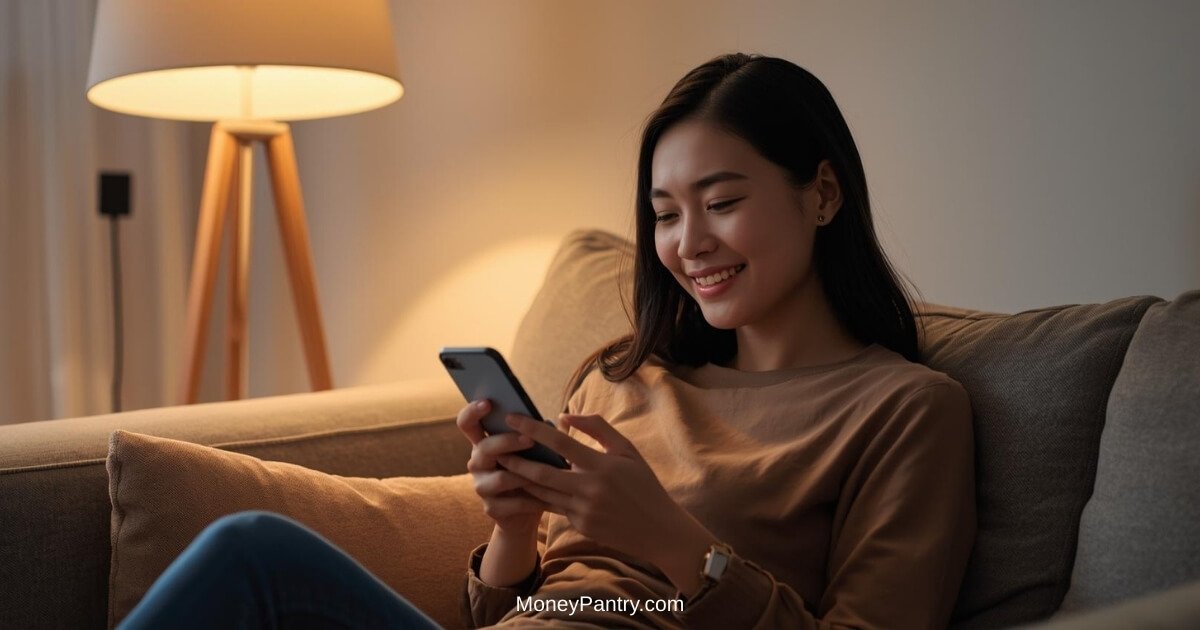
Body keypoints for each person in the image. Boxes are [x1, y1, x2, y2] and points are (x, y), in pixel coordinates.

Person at [117, 52, 975, 630]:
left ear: (822, 194)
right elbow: (509, 612)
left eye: (720, 202)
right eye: (665, 214)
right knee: (251, 554)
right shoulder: (623, 380)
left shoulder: (903, 412)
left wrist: (674, 543)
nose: (688, 244)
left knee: (252, 554)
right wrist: (515, 531)